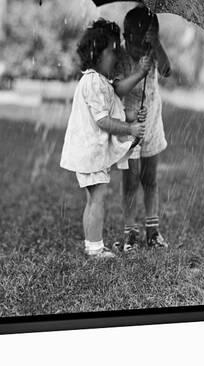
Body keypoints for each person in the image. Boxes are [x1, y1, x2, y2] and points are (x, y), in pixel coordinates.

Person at [60, 19, 152, 259]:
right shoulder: (93, 82)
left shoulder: (101, 82)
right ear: (96, 54)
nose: (117, 55)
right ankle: (95, 248)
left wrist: (132, 116)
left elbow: (114, 111)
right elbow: (103, 121)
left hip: (92, 152)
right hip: (91, 152)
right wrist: (131, 129)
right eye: (112, 51)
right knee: (97, 199)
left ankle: (92, 245)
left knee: (93, 199)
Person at [113, 6, 171, 252]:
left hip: (152, 125)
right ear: (126, 37)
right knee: (131, 180)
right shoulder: (121, 58)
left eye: (146, 41)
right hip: (129, 127)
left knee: (150, 179)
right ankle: (130, 232)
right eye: (136, 43)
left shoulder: (152, 53)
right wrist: (139, 72)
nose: (140, 49)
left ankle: (153, 230)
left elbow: (167, 70)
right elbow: (118, 90)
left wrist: (156, 45)